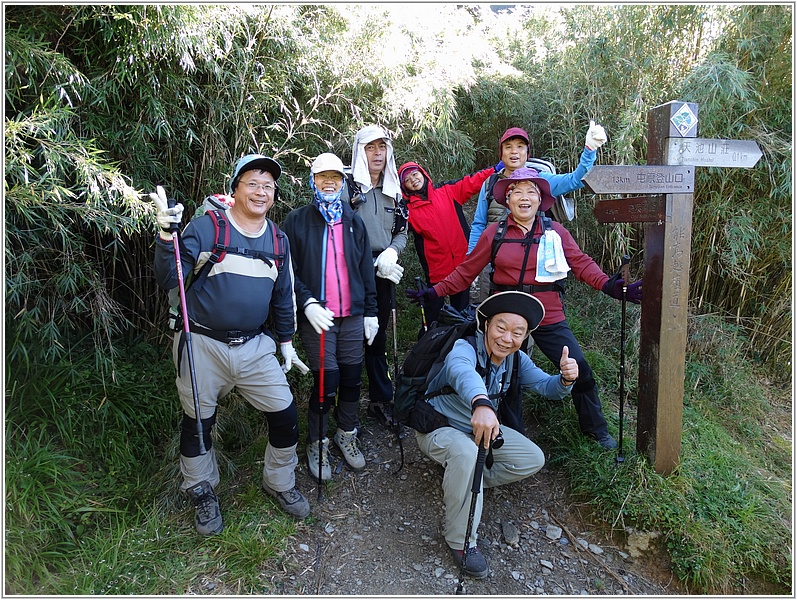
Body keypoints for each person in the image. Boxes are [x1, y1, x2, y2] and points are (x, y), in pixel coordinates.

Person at [408, 168, 642, 450]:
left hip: (547, 313)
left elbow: (580, 263)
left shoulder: (555, 232)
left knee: (579, 368)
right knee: (504, 375)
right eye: (516, 191)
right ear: (507, 200)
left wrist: (608, 285)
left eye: (531, 191)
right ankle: (506, 433)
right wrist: (434, 292)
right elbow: (467, 271)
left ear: (541, 199)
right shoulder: (495, 233)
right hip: (503, 315)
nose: (524, 197)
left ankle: (596, 429)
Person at [151, 154, 312, 535]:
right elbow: (167, 277)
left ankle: (280, 482)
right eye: (253, 183)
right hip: (201, 341)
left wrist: (286, 341)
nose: (261, 192)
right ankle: (201, 489)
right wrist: (165, 236)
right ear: (235, 188)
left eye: (268, 186)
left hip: (255, 345)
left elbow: (283, 293)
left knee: (285, 414)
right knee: (198, 423)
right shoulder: (208, 228)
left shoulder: (278, 239)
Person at [414, 291, 578, 579]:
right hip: (438, 429)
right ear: (486, 325)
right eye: (501, 327)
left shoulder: (516, 360)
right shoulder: (463, 348)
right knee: (465, 452)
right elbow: (462, 371)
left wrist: (566, 378)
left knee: (532, 458)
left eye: (518, 332)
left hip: (482, 432)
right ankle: (461, 541)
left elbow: (547, 387)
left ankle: (462, 482)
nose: (507, 338)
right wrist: (481, 402)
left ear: (525, 337)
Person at [282, 153, 379, 477]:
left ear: (342, 182)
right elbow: (287, 271)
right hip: (318, 315)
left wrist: (371, 312)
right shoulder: (296, 221)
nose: (329, 182)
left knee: (352, 378)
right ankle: (317, 441)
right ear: (313, 180)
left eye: (335, 178)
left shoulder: (353, 222)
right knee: (327, 380)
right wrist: (306, 301)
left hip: (351, 314)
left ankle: (346, 433)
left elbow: (365, 269)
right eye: (323, 176)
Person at [468, 121, 607, 303]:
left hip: (532, 261)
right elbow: (479, 223)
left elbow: (576, 180)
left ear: (527, 153)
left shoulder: (541, 180)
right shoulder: (490, 183)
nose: (514, 152)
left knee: (536, 313)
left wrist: (589, 150)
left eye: (520, 146)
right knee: (489, 313)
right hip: (493, 259)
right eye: (508, 147)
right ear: (501, 153)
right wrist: (472, 259)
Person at [345, 125, 408, 428]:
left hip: (383, 274)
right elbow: (336, 232)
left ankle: (380, 401)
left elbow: (401, 231)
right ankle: (344, 404)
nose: (377, 153)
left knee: (377, 337)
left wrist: (392, 252)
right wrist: (368, 263)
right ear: (360, 151)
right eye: (370, 147)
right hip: (349, 275)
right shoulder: (348, 188)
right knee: (348, 336)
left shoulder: (394, 190)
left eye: (382, 147)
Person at [397, 159, 500, 325]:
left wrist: (496, 169)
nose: (413, 180)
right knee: (434, 316)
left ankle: (460, 345)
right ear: (404, 187)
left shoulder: (447, 190)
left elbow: (473, 181)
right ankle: (431, 346)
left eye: (415, 174)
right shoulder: (407, 210)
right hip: (436, 269)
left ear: (423, 173)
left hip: (462, 264)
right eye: (407, 180)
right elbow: (394, 229)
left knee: (461, 315)